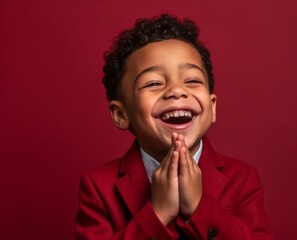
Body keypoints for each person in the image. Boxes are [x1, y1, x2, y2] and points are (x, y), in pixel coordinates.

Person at [75, 14, 274, 240]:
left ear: (212, 106)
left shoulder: (243, 179)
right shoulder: (98, 187)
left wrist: (200, 207)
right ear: (121, 114)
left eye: (192, 80)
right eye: (154, 83)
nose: (176, 90)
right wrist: (158, 214)